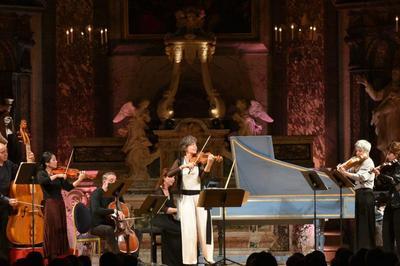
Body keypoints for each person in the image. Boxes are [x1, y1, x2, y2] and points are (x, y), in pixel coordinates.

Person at [167, 135, 216, 265]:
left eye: (195, 144)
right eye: (192, 144)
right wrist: (182, 167)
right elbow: (169, 174)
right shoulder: (179, 161)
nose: (195, 146)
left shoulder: (200, 161)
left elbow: (204, 178)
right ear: (185, 147)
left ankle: (208, 257)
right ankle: (190, 260)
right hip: (185, 198)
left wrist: (209, 163)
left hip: (200, 197)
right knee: (189, 230)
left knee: (204, 227)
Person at [37, 151, 86, 260]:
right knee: (53, 228)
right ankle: (52, 253)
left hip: (59, 203)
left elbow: (68, 187)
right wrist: (57, 175)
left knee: (60, 227)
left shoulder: (58, 174)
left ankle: (60, 252)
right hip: (50, 203)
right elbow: (43, 181)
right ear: (47, 163)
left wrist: (80, 179)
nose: (56, 161)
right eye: (53, 159)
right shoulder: (42, 173)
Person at [90, 172, 142, 255]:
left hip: (115, 225)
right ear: (104, 182)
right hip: (97, 225)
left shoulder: (117, 194)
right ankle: (118, 256)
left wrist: (125, 219)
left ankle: (134, 259)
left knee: (138, 232)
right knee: (108, 230)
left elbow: (123, 209)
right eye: (111, 180)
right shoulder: (97, 193)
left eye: (115, 181)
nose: (114, 183)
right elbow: (96, 210)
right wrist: (113, 211)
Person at [338, 139, 376, 250]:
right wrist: (341, 168)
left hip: (366, 195)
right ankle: (358, 249)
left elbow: (361, 177)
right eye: (357, 151)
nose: (357, 153)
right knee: (359, 224)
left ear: (366, 151)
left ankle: (366, 250)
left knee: (365, 225)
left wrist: (345, 173)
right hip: (359, 194)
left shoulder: (368, 162)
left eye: (360, 151)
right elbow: (348, 168)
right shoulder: (358, 161)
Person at [0, 143, 34, 260]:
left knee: (6, 237)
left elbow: (22, 172)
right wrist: (6, 200)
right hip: (2, 203)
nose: (6, 154)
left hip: (8, 206)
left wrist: (29, 161)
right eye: (2, 152)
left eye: (6, 151)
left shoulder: (8, 164)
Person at [372, 141, 400, 256]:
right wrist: (377, 177)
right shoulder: (392, 166)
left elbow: (395, 181)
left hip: (398, 204)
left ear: (396, 154)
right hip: (391, 202)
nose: (387, 156)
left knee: (398, 235)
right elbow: (384, 184)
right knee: (387, 234)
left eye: (389, 154)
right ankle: (388, 259)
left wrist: (380, 174)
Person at [152, 169, 182, 266]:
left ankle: (178, 260)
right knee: (177, 229)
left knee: (183, 227)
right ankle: (171, 261)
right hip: (159, 219)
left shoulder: (169, 191)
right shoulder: (158, 191)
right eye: (171, 177)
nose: (173, 179)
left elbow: (172, 207)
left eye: (174, 177)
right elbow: (163, 209)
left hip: (168, 219)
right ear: (164, 178)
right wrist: (179, 210)